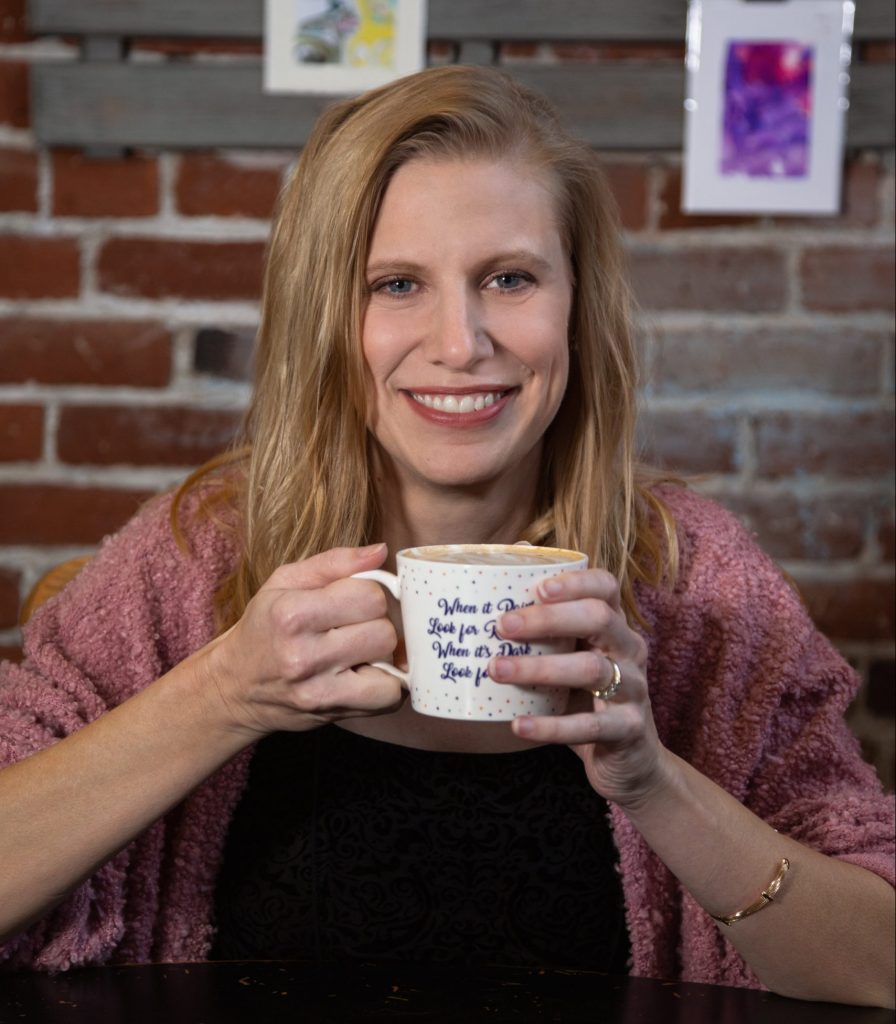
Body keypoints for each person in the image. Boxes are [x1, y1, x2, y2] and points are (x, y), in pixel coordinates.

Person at [0, 65, 893, 1007]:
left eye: (509, 278)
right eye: (396, 284)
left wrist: (655, 782)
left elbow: (878, 961)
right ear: (328, 323)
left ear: (576, 310)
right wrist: (223, 692)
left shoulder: (698, 583)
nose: (460, 342)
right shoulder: (199, 561)